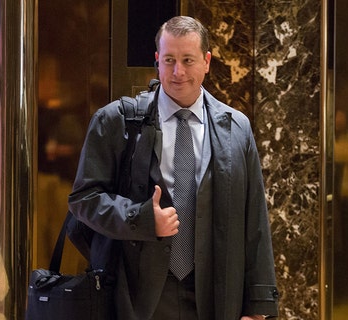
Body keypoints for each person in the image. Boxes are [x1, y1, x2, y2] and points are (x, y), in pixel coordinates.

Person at [68, 16, 279, 319]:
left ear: (207, 61)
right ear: (157, 61)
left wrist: (258, 307)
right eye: (169, 60)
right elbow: (83, 199)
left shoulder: (236, 128)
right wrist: (139, 219)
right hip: (136, 294)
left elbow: (254, 219)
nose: (178, 71)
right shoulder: (114, 121)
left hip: (215, 295)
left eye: (188, 60)